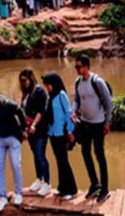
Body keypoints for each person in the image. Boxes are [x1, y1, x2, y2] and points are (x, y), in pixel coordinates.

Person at [73, 54, 112, 203]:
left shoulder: (97, 81)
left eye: (79, 67)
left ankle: (105, 188)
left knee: (99, 155)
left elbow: (108, 102)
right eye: (76, 67)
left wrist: (107, 122)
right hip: (84, 123)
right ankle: (95, 183)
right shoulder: (78, 82)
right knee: (85, 152)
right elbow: (76, 100)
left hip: (98, 123)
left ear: (87, 67)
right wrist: (73, 110)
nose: (77, 69)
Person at [42, 72, 77, 200]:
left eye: (48, 85)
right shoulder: (50, 97)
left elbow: (68, 113)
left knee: (64, 161)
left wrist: (70, 131)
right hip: (52, 133)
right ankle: (62, 187)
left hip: (62, 133)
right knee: (59, 161)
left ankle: (71, 189)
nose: (47, 88)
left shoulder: (61, 95)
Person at [19, 69, 51, 197]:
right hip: (29, 129)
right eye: (21, 81)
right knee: (35, 155)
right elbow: (23, 110)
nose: (23, 84)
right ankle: (39, 179)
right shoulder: (26, 93)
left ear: (31, 79)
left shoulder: (39, 92)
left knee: (40, 155)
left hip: (40, 129)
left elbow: (40, 111)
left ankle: (47, 183)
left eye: (24, 81)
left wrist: (34, 125)